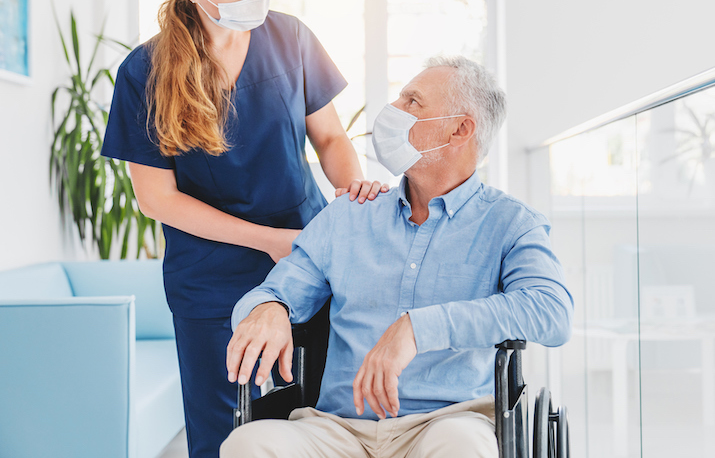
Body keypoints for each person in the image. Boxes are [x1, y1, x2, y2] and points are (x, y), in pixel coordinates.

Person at [100, 0, 386, 458]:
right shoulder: (145, 72)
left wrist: (353, 193)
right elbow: (156, 198)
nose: (255, 0)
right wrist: (269, 241)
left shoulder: (291, 38)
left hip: (308, 262)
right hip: (213, 278)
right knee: (225, 434)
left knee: (317, 424)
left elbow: (329, 140)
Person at [221, 56, 574, 458]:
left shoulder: (510, 224)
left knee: (462, 448)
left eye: (412, 102)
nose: (393, 112)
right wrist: (269, 307)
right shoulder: (351, 214)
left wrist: (417, 328)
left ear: (460, 129)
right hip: (339, 429)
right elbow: (281, 289)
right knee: (249, 444)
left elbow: (552, 311)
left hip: (447, 423)